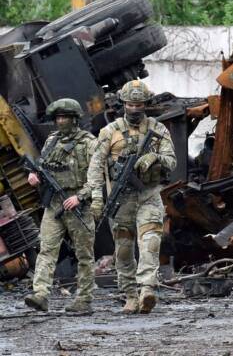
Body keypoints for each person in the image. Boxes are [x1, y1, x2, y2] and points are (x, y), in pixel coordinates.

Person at [87, 80, 176, 314]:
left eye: (139, 104)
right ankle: (129, 294)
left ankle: (147, 288)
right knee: (124, 250)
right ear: (123, 104)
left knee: (150, 241)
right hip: (121, 200)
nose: (134, 109)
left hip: (148, 195)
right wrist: (96, 198)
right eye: (130, 104)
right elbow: (95, 167)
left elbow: (172, 162)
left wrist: (154, 158)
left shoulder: (158, 130)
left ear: (145, 104)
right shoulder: (109, 132)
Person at [24, 98, 97, 312]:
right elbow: (42, 164)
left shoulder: (89, 143)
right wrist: (34, 175)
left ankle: (84, 299)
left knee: (84, 254)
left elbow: (99, 177)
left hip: (78, 205)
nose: (61, 121)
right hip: (54, 202)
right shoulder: (52, 141)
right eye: (58, 118)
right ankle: (40, 294)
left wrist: (81, 196)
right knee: (47, 249)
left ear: (75, 119)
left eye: (65, 117)